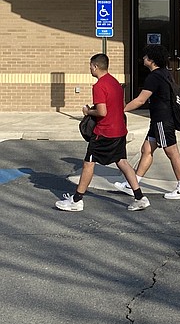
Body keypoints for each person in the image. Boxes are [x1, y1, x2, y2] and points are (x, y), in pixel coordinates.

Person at [56, 54, 149, 212]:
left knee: (88, 164)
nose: (90, 69)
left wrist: (88, 111)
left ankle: (76, 200)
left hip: (104, 133)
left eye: (90, 66)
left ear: (95, 67)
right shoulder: (115, 83)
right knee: (122, 162)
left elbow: (102, 111)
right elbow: (120, 105)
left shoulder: (99, 86)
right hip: (119, 130)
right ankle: (140, 197)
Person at [115, 44, 180, 200]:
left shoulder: (154, 77)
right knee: (146, 150)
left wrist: (120, 110)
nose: (143, 58)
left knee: (172, 152)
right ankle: (133, 183)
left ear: (151, 60)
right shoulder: (165, 73)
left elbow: (140, 100)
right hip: (158, 120)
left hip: (163, 121)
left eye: (145, 56)